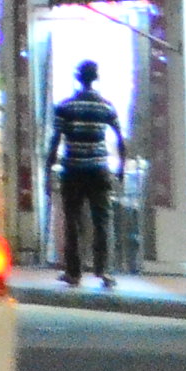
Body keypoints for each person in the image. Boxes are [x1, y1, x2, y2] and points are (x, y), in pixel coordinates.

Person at [46, 60, 128, 288]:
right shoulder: (105, 106)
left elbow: (55, 141)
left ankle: (74, 273)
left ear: (77, 77)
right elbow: (120, 139)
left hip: (72, 171)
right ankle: (105, 272)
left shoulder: (65, 107)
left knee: (73, 222)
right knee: (102, 221)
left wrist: (47, 169)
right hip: (99, 172)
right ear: (96, 78)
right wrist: (120, 168)